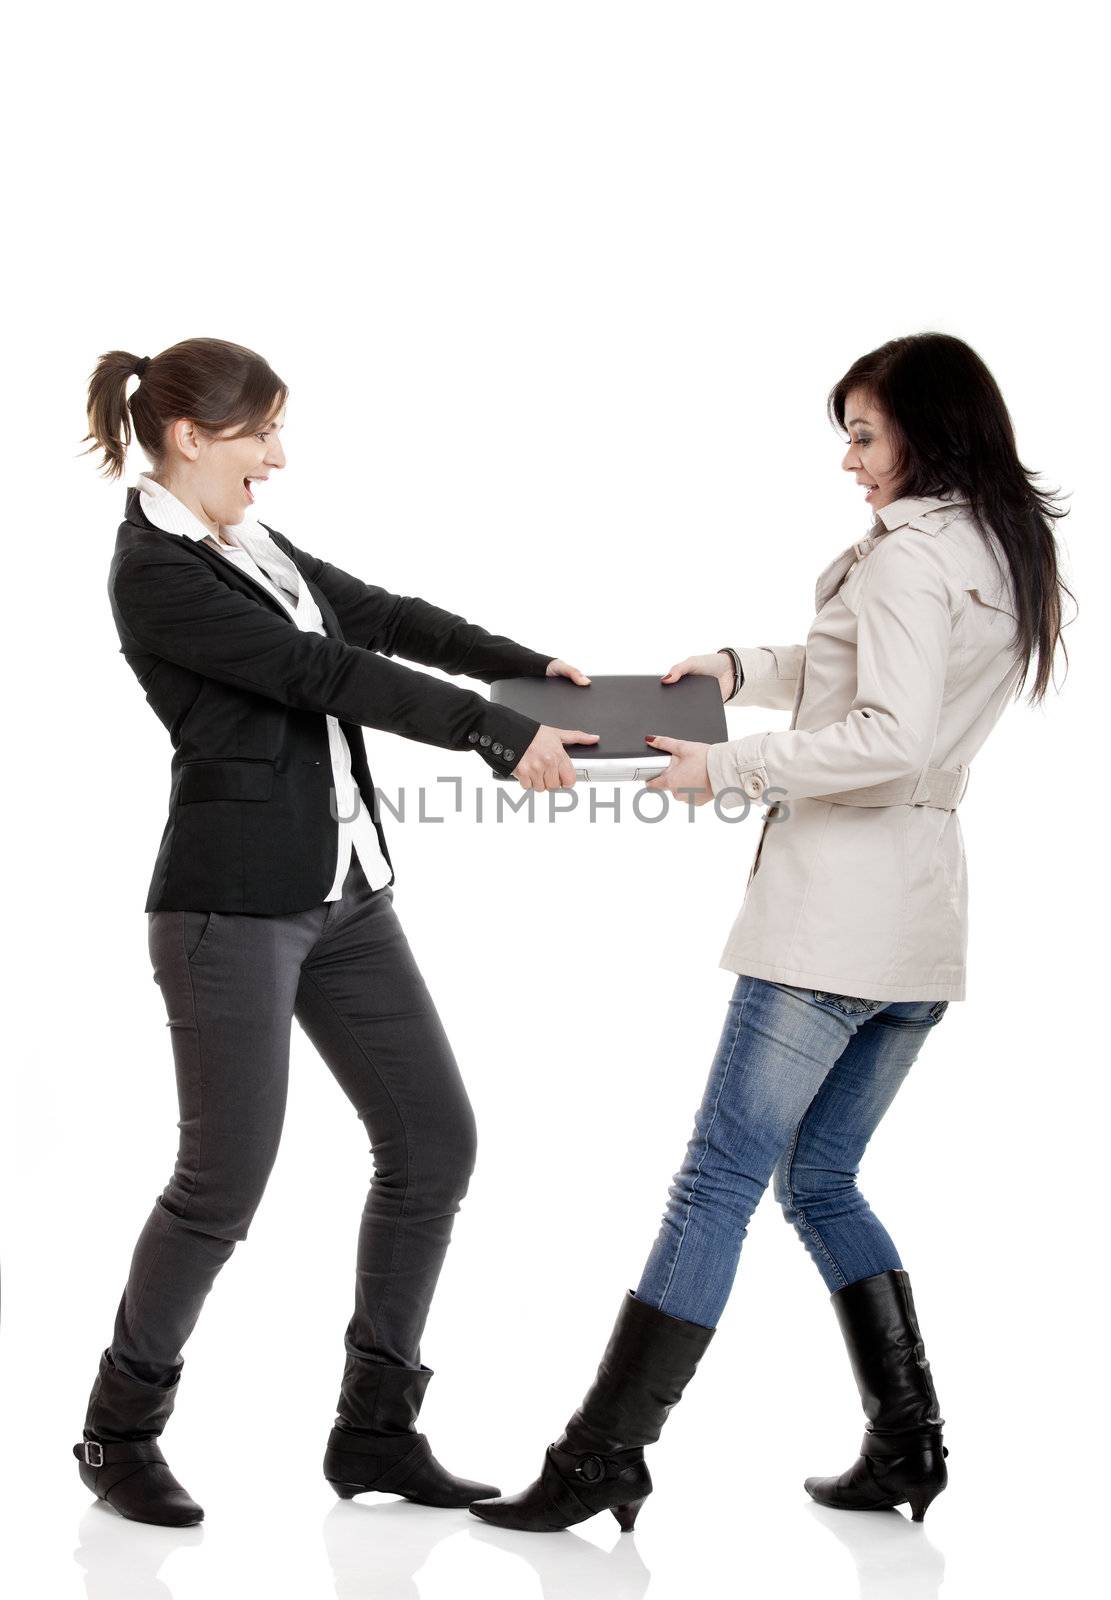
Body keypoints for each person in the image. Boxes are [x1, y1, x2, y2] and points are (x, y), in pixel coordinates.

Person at [470, 331, 1074, 1533]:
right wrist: (743, 666)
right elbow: (867, 679)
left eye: (863, 433)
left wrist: (724, 766)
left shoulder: (907, 558)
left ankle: (601, 1456)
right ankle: (908, 1441)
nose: (850, 461)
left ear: (927, 427)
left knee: (714, 1184)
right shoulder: (997, 549)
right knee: (824, 1179)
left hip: (831, 925)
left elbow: (885, 733)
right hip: (916, 921)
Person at [74, 336, 599, 1527]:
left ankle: (373, 1430)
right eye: (259, 431)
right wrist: (490, 733)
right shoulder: (151, 571)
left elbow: (375, 614)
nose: (277, 455)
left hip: (347, 894)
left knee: (433, 1143)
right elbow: (323, 670)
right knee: (222, 1183)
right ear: (190, 438)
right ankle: (117, 1431)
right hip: (230, 908)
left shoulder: (247, 541)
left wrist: (529, 676)